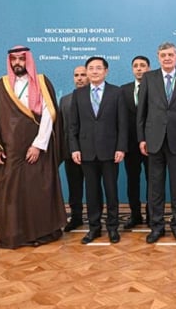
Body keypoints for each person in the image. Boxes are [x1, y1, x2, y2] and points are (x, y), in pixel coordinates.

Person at [0, 46, 67, 249]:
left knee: (39, 190)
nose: (17, 63)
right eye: (14, 59)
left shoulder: (41, 81)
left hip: (37, 147)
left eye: (22, 59)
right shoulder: (2, 84)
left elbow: (50, 115)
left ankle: (42, 232)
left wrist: (38, 145)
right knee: (11, 192)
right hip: (11, 148)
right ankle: (15, 233)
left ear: (28, 60)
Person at [137, 42, 176, 243]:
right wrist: (141, 138)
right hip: (154, 140)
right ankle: (156, 227)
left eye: (170, 55)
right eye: (163, 55)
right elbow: (142, 112)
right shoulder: (148, 78)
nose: (167, 58)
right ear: (158, 57)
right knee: (155, 187)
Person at [69, 56, 128, 244]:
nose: (94, 71)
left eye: (98, 68)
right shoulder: (78, 94)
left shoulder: (116, 93)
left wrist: (121, 147)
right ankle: (94, 228)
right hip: (86, 152)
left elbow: (123, 124)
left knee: (111, 192)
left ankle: (112, 228)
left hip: (110, 152)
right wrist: (74, 148)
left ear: (106, 71)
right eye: (91, 68)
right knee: (92, 192)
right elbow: (73, 126)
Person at [121, 55, 150, 228]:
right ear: (132, 69)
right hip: (130, 144)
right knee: (133, 180)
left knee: (152, 181)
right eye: (136, 66)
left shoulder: (156, 88)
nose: (139, 68)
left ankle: (151, 214)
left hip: (151, 143)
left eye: (142, 65)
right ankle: (135, 214)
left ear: (148, 68)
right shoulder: (123, 90)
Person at [59, 65, 88, 232]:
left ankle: (95, 218)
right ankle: (76, 217)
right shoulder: (65, 100)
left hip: (93, 153)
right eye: (76, 75)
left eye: (83, 75)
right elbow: (62, 127)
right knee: (74, 188)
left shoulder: (98, 97)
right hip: (71, 152)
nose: (79, 78)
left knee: (94, 188)